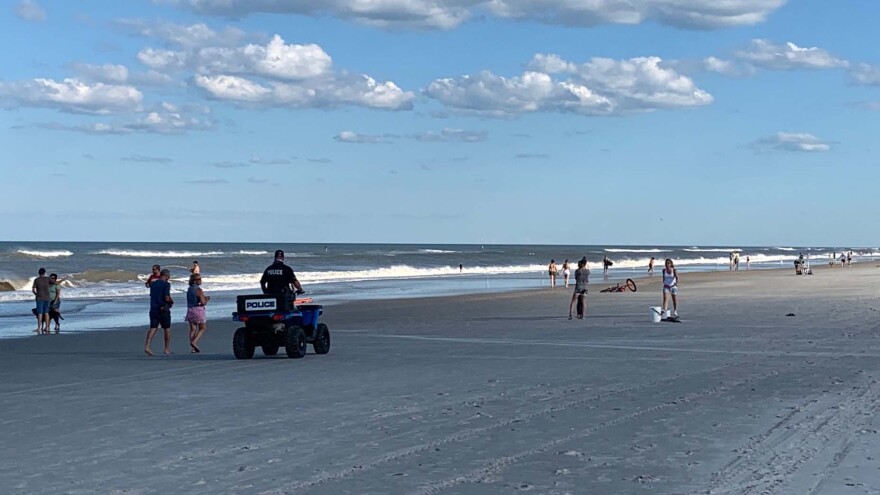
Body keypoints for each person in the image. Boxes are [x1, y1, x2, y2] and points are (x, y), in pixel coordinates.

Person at [145, 269, 173, 356]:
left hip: (153, 308)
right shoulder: (166, 284)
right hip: (163, 308)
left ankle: (147, 346)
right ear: (166, 276)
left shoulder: (153, 284)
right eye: (168, 277)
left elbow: (152, 295)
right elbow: (166, 297)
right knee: (166, 328)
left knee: (153, 328)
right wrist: (171, 302)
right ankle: (167, 348)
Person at [185, 273, 210, 353]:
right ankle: (194, 341)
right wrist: (206, 300)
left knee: (192, 329)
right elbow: (203, 302)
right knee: (202, 328)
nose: (200, 280)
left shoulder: (189, 289)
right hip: (198, 310)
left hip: (190, 309)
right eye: (198, 279)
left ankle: (192, 348)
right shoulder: (199, 290)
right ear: (194, 281)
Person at [32, 268, 51, 335]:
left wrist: (36, 294)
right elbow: (54, 283)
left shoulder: (36, 280)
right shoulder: (48, 279)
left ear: (38, 273)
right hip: (47, 297)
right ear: (44, 273)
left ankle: (39, 328)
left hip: (39, 298)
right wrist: (63, 279)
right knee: (46, 313)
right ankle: (48, 327)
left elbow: (33, 289)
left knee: (40, 313)